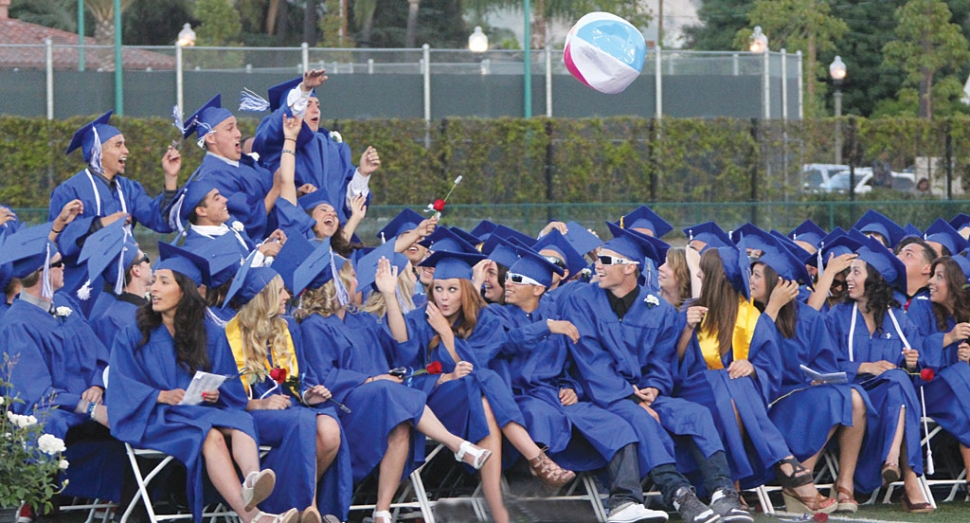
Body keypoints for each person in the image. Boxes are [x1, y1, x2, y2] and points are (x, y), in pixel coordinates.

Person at [293, 245, 493, 523]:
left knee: (399, 425)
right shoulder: (315, 326)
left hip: (382, 403)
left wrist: (389, 295)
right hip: (346, 410)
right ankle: (456, 444)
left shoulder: (360, 319)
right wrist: (372, 379)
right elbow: (324, 377)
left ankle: (382, 511)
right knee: (389, 390)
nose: (356, 282)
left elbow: (401, 347)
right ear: (334, 285)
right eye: (350, 277)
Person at [562, 224, 747, 523]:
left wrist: (655, 388)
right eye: (599, 259)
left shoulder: (658, 309)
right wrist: (632, 398)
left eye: (607, 260)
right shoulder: (581, 301)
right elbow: (590, 360)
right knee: (640, 417)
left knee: (696, 414)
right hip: (602, 394)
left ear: (630, 268)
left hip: (643, 393)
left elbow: (662, 359)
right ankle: (679, 495)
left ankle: (722, 493)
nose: (597, 265)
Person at [107, 243, 297, 523]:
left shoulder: (209, 332)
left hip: (197, 411)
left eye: (163, 281)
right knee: (211, 435)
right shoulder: (134, 333)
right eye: (154, 280)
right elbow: (121, 385)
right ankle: (252, 517)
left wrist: (213, 393)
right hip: (157, 418)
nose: (153, 288)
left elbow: (228, 387)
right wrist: (160, 396)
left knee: (239, 420)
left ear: (184, 291)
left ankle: (253, 481)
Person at [389, 250, 575, 523]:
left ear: (465, 290)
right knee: (487, 379)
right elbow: (404, 360)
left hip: (473, 401)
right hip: (432, 403)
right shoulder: (421, 318)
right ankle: (537, 459)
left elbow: (472, 363)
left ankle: (500, 514)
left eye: (452, 289)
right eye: (438, 289)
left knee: (485, 398)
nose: (443, 296)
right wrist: (436, 328)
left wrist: (447, 335)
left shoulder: (485, 320)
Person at [498, 245, 675, 523]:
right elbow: (504, 345)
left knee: (617, 426)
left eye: (516, 280)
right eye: (507, 277)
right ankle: (534, 483)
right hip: (518, 398)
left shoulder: (560, 320)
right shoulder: (496, 316)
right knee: (540, 415)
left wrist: (572, 387)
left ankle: (623, 502)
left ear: (538, 289)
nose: (507, 283)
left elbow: (572, 366)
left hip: (556, 397)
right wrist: (546, 328)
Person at [676, 243, 836, 515]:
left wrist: (751, 368)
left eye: (703, 273)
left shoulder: (748, 314)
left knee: (732, 383)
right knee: (724, 382)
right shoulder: (692, 311)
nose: (698, 278)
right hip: (694, 392)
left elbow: (768, 366)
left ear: (719, 277)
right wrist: (688, 329)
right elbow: (676, 365)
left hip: (734, 396)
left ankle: (734, 487)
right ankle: (782, 460)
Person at [0, 223, 125, 505]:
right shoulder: (17, 324)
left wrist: (95, 383)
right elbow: (36, 394)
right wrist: (90, 408)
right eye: (57, 264)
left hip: (90, 402)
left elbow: (97, 352)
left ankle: (142, 499)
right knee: (54, 424)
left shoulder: (64, 303)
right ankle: (52, 504)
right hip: (61, 411)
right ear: (42, 273)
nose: (64, 266)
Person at [750, 238, 870, 514]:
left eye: (757, 275)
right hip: (766, 403)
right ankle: (800, 480)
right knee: (836, 399)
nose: (751, 281)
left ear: (778, 281)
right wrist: (772, 309)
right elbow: (753, 354)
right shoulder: (747, 314)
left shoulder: (808, 317)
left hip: (804, 395)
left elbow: (824, 362)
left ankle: (842, 483)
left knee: (854, 398)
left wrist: (821, 377)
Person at [222, 266, 349, 523]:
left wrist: (308, 394)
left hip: (290, 410)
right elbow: (226, 399)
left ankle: (295, 509)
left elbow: (299, 380)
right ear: (264, 297)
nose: (286, 296)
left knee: (329, 428)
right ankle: (308, 507)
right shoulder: (228, 336)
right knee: (304, 421)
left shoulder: (287, 329)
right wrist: (260, 403)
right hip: (250, 416)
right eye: (280, 291)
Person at [823, 236, 932, 513]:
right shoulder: (838, 316)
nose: (848, 278)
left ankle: (894, 461)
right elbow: (824, 363)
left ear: (875, 280)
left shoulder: (898, 319)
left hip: (889, 401)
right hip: (854, 397)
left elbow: (921, 372)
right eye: (849, 271)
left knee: (898, 379)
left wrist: (912, 363)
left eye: (856, 272)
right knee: (897, 383)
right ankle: (907, 477)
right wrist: (863, 367)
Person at [51, 111, 181, 302]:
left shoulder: (128, 188)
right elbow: (60, 243)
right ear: (98, 152)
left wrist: (170, 178)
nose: (126, 151)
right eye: (118, 145)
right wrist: (100, 224)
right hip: (85, 288)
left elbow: (160, 220)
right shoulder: (69, 190)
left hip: (127, 287)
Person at [251, 71, 381, 225]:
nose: (315, 110)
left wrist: (362, 174)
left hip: (335, 238)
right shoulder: (275, 142)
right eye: (307, 104)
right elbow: (279, 125)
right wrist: (304, 90)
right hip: (294, 233)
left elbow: (350, 207)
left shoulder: (335, 149)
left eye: (317, 105)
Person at [170, 95, 285, 242]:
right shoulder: (213, 177)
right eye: (230, 129)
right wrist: (276, 189)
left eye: (236, 127)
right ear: (211, 138)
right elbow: (247, 222)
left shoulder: (240, 162)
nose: (238, 134)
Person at [920, 255, 970, 489]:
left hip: (959, 400)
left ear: (955, 283)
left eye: (939, 277)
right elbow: (913, 352)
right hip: (928, 392)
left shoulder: (966, 318)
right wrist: (948, 339)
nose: (931, 281)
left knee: (963, 414)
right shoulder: (921, 309)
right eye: (932, 275)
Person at [894, 236, 936, 336]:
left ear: (927, 268)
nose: (898, 258)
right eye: (899, 253)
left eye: (908, 254)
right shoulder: (885, 297)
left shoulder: (935, 305)